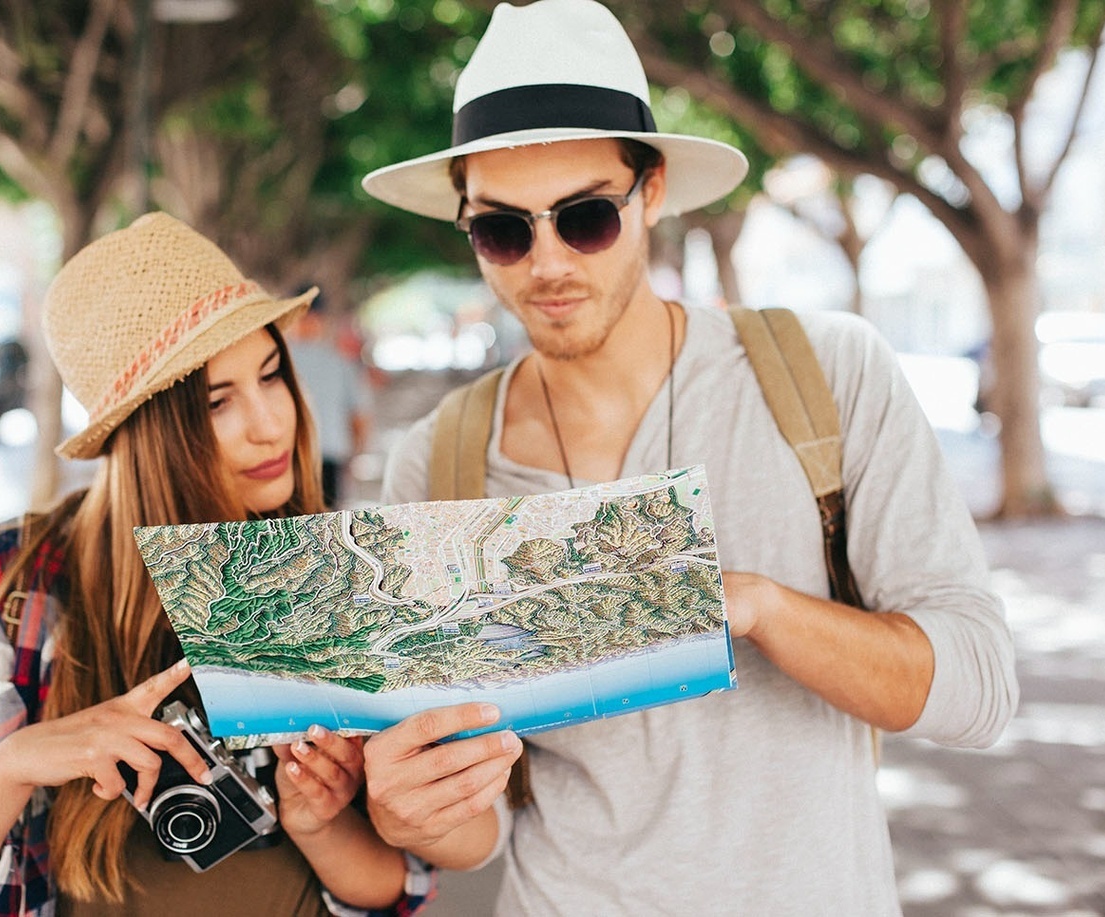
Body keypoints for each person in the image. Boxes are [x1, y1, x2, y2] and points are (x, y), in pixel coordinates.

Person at [355, 1, 1018, 913]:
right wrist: (409, 808)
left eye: (585, 217)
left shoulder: (825, 374)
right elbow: (484, 829)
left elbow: (979, 688)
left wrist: (758, 604)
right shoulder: (439, 464)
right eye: (502, 230)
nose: (544, 264)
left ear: (651, 189)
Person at [0, 213, 464, 916]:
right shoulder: (16, 576)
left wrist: (320, 822)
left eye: (271, 376)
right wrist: (15, 763)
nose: (271, 421)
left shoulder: (335, 567)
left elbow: (400, 888)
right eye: (217, 401)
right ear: (144, 433)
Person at [285, 287, 373, 508]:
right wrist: (355, 457)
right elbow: (360, 417)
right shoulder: (341, 362)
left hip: (290, 458)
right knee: (326, 529)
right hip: (328, 458)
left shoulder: (278, 361)